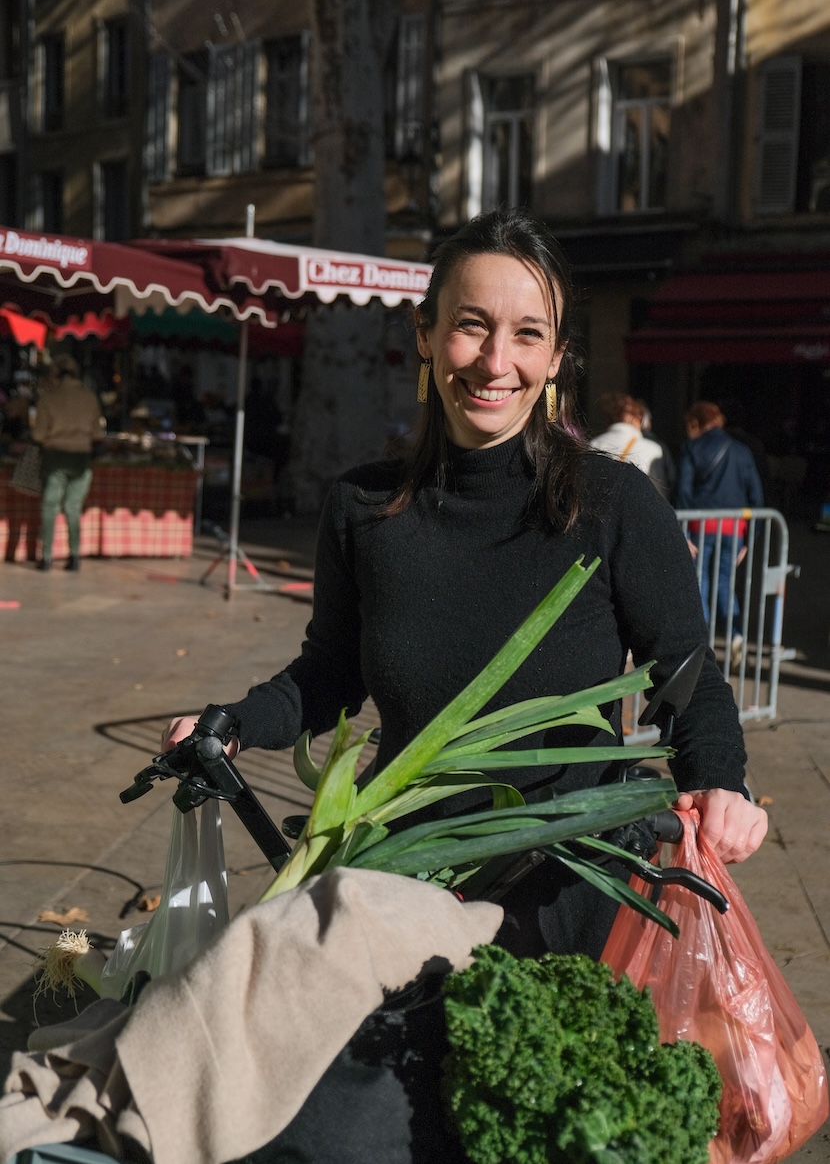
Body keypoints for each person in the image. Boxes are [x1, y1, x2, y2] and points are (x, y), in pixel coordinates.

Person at [163, 211, 766, 963]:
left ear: (556, 357)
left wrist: (719, 781)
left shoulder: (612, 503)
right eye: (471, 325)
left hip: (565, 894)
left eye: (527, 334)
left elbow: (686, 673)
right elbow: (330, 672)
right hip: (403, 879)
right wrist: (231, 722)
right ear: (425, 332)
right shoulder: (362, 507)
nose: (494, 361)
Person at [675, 401, 764, 668]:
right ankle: (736, 636)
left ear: (696, 423)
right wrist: (751, 539)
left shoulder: (691, 448)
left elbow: (683, 492)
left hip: (701, 527)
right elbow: (756, 496)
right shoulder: (742, 451)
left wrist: (684, 532)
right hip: (734, 528)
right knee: (725, 583)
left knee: (699, 582)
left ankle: (704, 645)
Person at [31, 353, 103, 572]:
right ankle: (74, 556)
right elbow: (98, 433)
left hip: (55, 457)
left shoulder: (48, 398)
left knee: (50, 506)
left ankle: (46, 557)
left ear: (55, 375)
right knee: (73, 507)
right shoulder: (90, 397)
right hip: (81, 457)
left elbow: (38, 435)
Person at [589, 391, 670, 496]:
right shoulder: (653, 449)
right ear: (633, 418)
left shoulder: (592, 445)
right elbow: (660, 493)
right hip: (640, 509)